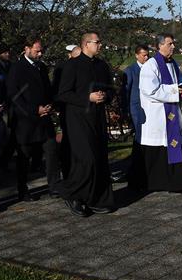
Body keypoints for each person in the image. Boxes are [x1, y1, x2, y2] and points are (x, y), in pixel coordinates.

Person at [56, 32, 116, 216]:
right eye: (97, 42)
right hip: (78, 119)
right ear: (86, 44)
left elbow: (110, 90)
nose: (100, 45)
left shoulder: (102, 65)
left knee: (99, 158)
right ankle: (72, 194)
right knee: (86, 159)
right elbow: (63, 93)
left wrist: (105, 96)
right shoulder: (72, 65)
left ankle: (97, 198)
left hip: (97, 118)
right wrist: (87, 97)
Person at [138, 33, 182, 193]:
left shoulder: (173, 63)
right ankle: (158, 183)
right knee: (159, 152)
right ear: (159, 46)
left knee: (175, 147)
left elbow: (180, 80)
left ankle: (177, 183)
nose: (173, 46)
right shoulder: (151, 65)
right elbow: (150, 90)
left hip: (172, 113)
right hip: (158, 116)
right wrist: (175, 90)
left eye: (173, 43)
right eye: (170, 44)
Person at [7, 37, 60, 201]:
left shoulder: (42, 67)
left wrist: (50, 105)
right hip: (26, 122)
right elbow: (13, 96)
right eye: (37, 50)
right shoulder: (16, 69)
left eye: (41, 50)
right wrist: (34, 110)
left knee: (51, 151)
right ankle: (23, 190)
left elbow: (48, 90)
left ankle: (54, 186)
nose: (40, 53)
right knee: (24, 157)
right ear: (27, 49)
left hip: (44, 120)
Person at [119, 44, 149, 189]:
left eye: (147, 54)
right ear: (136, 55)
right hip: (136, 108)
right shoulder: (130, 71)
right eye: (143, 55)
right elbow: (125, 92)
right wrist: (125, 111)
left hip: (149, 108)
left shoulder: (150, 69)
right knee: (139, 138)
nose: (146, 57)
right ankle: (135, 169)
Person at [52, 43, 82, 179]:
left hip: (78, 108)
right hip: (66, 107)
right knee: (66, 139)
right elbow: (58, 88)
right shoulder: (62, 67)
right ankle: (67, 169)